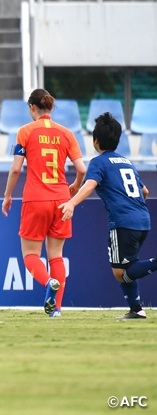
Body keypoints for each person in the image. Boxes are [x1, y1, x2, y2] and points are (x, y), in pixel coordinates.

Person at [59, 112, 156, 319]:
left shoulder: (99, 162)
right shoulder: (126, 161)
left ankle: (137, 306)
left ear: (95, 141)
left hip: (123, 222)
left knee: (120, 272)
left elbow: (90, 184)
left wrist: (72, 203)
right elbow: (145, 191)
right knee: (129, 267)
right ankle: (136, 310)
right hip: (142, 219)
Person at [2, 89, 87, 317]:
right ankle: (56, 309)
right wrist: (76, 185)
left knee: (30, 255)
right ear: (50, 108)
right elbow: (82, 169)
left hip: (35, 199)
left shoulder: (25, 132)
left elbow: (16, 168)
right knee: (56, 256)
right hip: (61, 199)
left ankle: (48, 282)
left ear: (32, 107)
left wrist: (8, 195)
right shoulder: (67, 133)